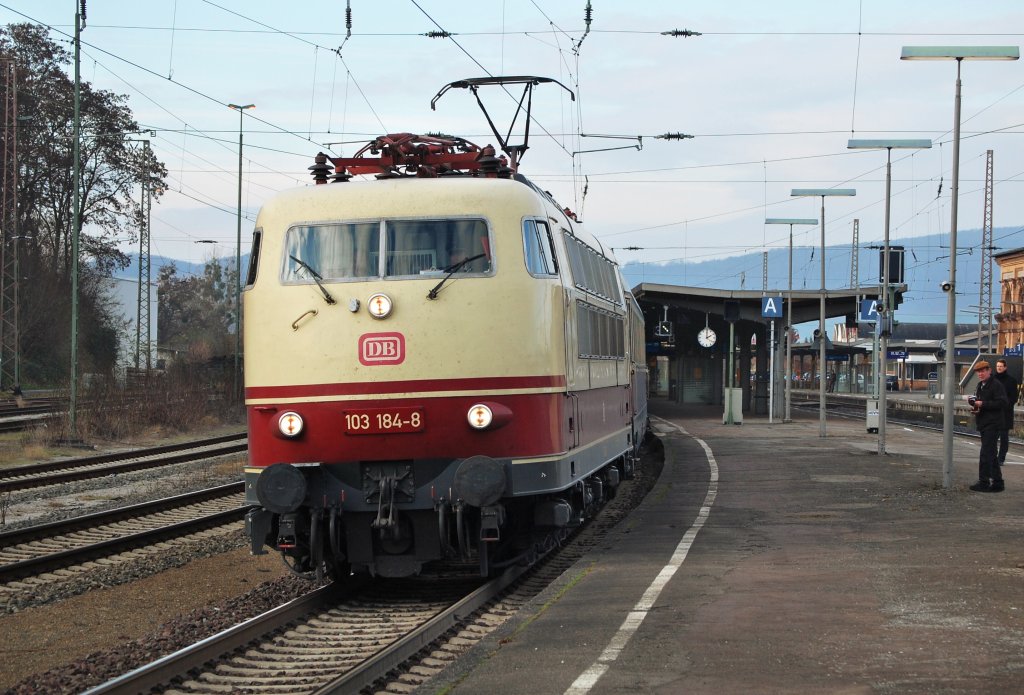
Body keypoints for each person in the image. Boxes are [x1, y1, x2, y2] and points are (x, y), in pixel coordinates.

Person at [968, 361, 1008, 493]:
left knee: (985, 454)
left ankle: (984, 482)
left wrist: (983, 404)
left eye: (982, 371)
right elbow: (982, 404)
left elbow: (1002, 403)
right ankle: (998, 483)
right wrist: (976, 408)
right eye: (978, 372)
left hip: (993, 423)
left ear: (989, 371)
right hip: (984, 423)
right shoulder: (980, 385)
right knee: (991, 454)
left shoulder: (996, 385)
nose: (980, 374)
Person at [993, 358, 1019, 468]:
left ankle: (1001, 458)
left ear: (1005, 367)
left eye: (1001, 366)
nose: (999, 368)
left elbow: (1014, 397)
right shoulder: (992, 379)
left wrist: (1005, 405)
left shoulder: (1011, 381)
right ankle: (993, 457)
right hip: (993, 413)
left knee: (1004, 438)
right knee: (992, 438)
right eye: (997, 366)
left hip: (1005, 414)